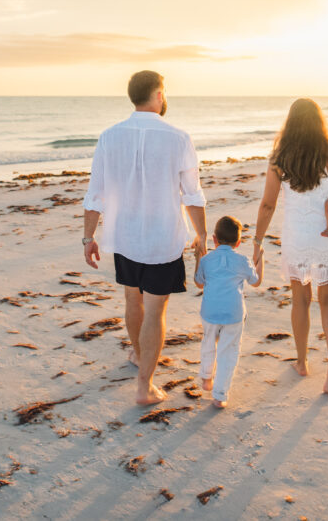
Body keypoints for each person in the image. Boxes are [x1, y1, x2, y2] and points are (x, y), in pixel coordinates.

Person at [82, 70, 208, 405]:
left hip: (124, 236)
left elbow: (95, 193)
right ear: (158, 94)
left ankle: (139, 356)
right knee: (155, 311)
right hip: (161, 238)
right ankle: (144, 386)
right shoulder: (178, 137)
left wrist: (88, 238)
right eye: (163, 93)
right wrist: (202, 236)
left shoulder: (109, 136)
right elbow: (193, 195)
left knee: (131, 300)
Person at [253, 99, 328, 394]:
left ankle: (302, 362)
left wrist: (257, 241)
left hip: (298, 236)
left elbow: (268, 204)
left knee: (300, 299)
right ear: (320, 123)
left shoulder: (280, 158)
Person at [193, 216, 264, 408]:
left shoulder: (207, 260)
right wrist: (260, 261)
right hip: (233, 314)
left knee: (208, 343)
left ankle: (207, 378)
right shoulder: (242, 260)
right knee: (228, 351)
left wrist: (198, 258)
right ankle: (220, 394)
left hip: (210, 311)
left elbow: (199, 282)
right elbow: (255, 282)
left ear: (215, 239)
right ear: (238, 243)